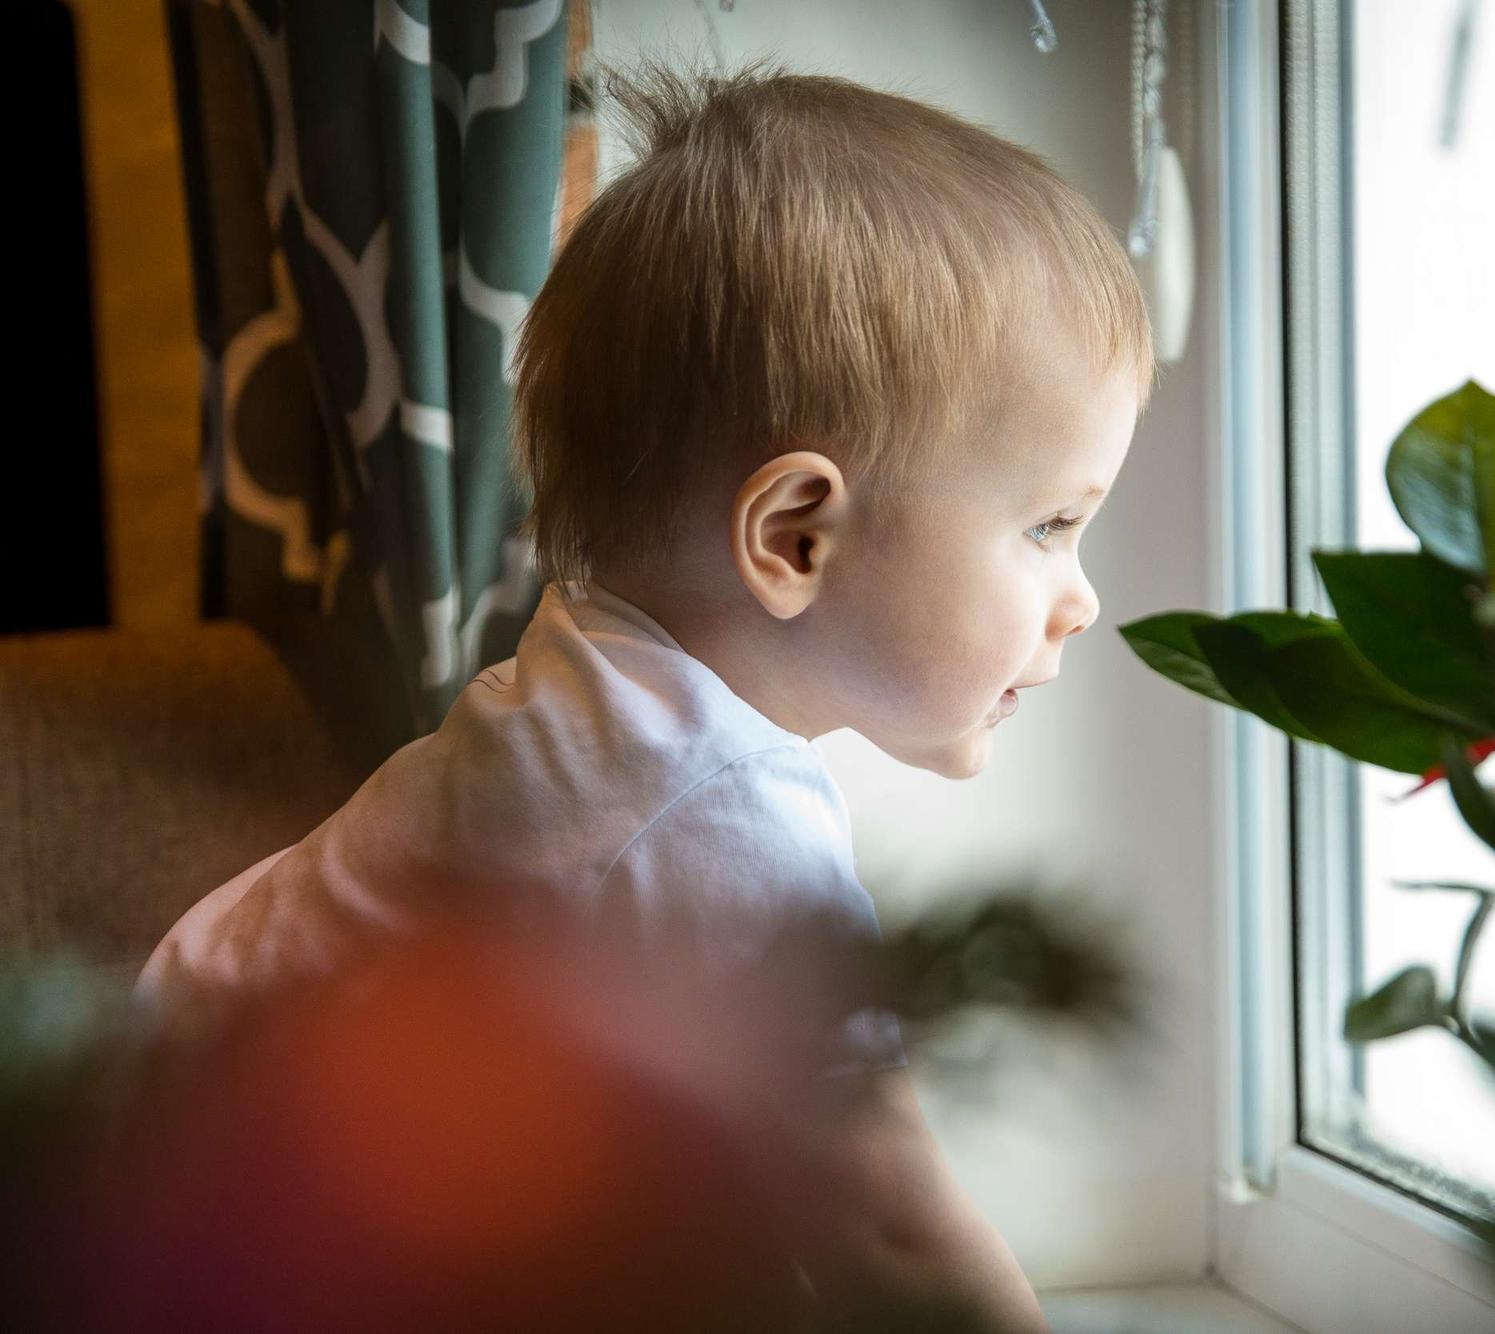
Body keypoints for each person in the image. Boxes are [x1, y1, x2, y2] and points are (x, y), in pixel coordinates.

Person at [140, 62, 1151, 1331]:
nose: (1081, 597)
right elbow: (887, 1227)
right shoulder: (719, 812)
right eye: (1050, 524)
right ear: (792, 537)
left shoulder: (587, 674)